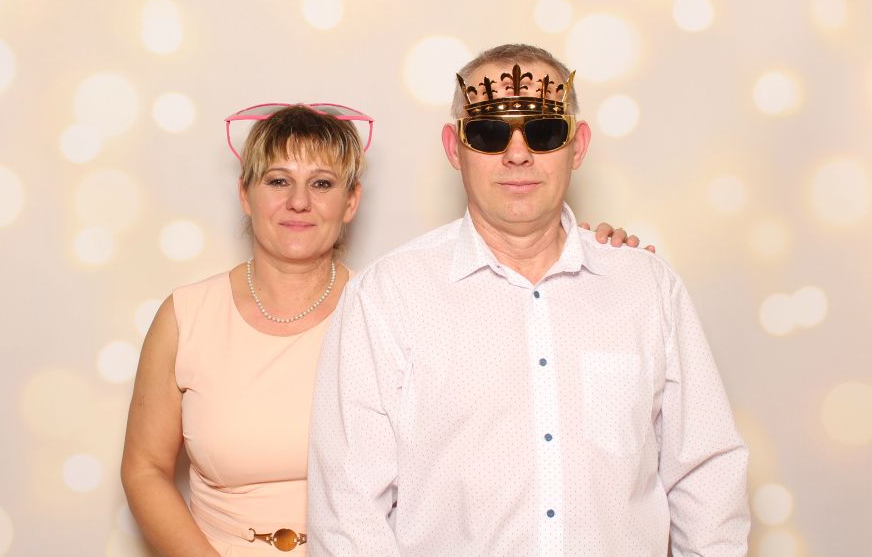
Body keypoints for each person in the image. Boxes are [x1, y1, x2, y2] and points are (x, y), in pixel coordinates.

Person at [121, 102, 645, 556]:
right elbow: (144, 468)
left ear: (350, 201)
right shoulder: (186, 316)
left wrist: (586, 258)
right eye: (278, 181)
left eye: (322, 183)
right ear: (245, 194)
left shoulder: (394, 306)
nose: (299, 202)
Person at [307, 44, 750, 556]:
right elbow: (349, 511)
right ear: (454, 148)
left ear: (577, 146)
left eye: (542, 132)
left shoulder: (646, 288)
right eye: (489, 134)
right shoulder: (388, 297)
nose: (517, 155)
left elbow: (707, 476)